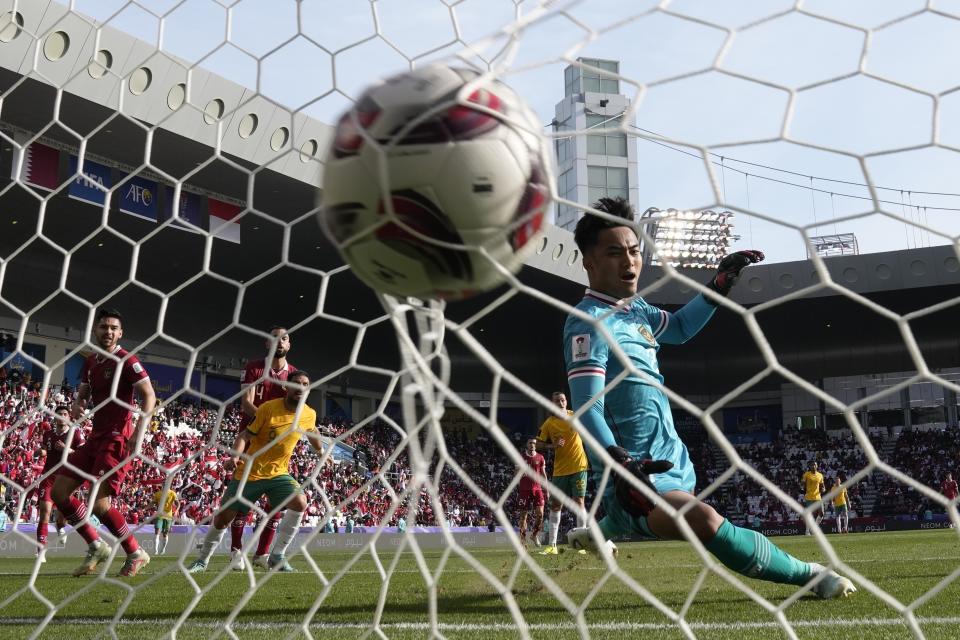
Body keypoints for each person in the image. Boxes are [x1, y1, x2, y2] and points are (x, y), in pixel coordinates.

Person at [563, 197, 855, 599]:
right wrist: (621, 461)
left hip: (669, 457)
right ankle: (811, 576)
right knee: (703, 521)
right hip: (633, 475)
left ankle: (603, 530)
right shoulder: (587, 323)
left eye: (634, 251)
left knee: (667, 518)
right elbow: (587, 407)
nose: (629, 262)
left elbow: (680, 327)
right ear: (589, 263)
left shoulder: (637, 311)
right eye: (614, 253)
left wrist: (718, 286)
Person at [52, 308, 156, 577]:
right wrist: (79, 403)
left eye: (113, 328)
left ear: (120, 333)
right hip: (95, 438)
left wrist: (138, 434)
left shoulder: (127, 360)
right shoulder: (91, 362)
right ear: (95, 331)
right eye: (103, 327)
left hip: (116, 439)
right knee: (59, 492)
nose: (108, 331)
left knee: (99, 504)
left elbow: (149, 396)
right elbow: (85, 390)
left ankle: (136, 552)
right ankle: (96, 545)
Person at [189, 369, 320, 573]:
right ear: (286, 387)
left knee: (300, 502)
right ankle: (202, 560)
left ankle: (277, 556)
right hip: (249, 472)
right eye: (297, 384)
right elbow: (244, 436)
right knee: (223, 518)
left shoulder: (309, 414)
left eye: (305, 385)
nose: (301, 388)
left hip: (278, 474)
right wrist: (234, 456)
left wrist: (321, 451)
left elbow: (312, 431)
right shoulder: (268, 408)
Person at [230, 326, 297, 571]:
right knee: (243, 500)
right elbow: (246, 402)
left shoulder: (293, 375)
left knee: (276, 503)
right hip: (251, 438)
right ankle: (236, 552)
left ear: (289, 345)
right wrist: (267, 422)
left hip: (278, 444)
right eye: (274, 338)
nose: (279, 342)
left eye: (284, 338)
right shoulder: (253, 368)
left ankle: (263, 554)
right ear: (266, 343)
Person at [536, 391, 589, 555]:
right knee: (555, 505)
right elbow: (537, 444)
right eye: (557, 401)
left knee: (579, 502)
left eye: (563, 400)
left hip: (579, 466)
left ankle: (582, 544)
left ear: (566, 402)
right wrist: (552, 446)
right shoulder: (549, 423)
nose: (561, 402)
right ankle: (552, 545)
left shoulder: (576, 416)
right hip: (560, 470)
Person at [35, 405, 81, 562]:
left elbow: (82, 455)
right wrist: (41, 452)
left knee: (62, 518)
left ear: (69, 417)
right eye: (59, 414)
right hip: (48, 477)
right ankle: (41, 550)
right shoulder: (48, 434)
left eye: (65, 413)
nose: (62, 416)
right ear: (55, 417)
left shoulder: (75, 434)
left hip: (66, 478)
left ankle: (61, 527)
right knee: (44, 512)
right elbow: (45, 450)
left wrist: (66, 449)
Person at [516, 437, 546, 548]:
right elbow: (516, 473)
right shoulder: (521, 457)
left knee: (540, 514)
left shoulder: (540, 457)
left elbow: (543, 474)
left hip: (538, 489)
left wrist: (546, 489)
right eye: (530, 443)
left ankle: (534, 535)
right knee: (523, 516)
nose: (532, 444)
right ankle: (523, 540)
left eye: (534, 443)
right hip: (524, 489)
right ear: (526, 444)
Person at [801, 461, 825, 535]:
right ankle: (807, 531)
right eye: (811, 465)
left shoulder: (820, 475)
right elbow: (803, 484)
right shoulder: (806, 474)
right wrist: (802, 488)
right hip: (809, 497)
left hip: (818, 497)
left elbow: (822, 485)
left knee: (822, 513)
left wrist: (823, 488)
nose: (813, 466)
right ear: (809, 466)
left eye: (814, 465)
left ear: (817, 466)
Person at [153, 486, 179, 555]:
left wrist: (176, 511)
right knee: (157, 531)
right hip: (159, 515)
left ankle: (163, 549)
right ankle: (155, 551)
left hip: (168, 516)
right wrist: (145, 508)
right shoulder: (158, 494)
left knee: (165, 534)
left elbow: (178, 504)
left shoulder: (172, 493)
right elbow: (153, 503)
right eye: (164, 483)